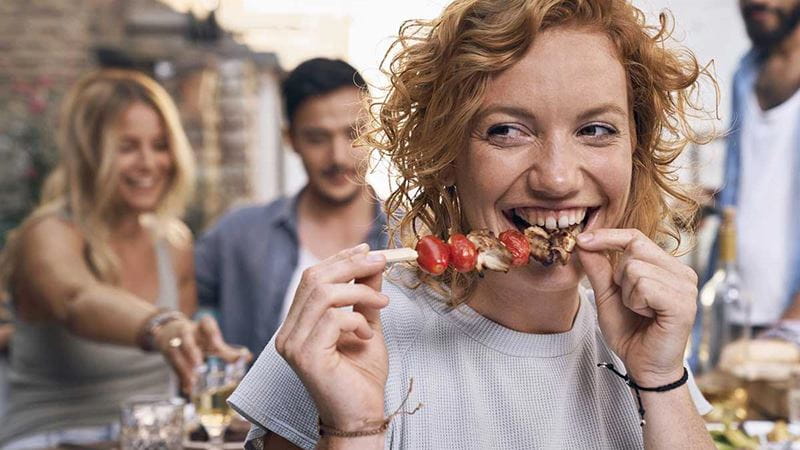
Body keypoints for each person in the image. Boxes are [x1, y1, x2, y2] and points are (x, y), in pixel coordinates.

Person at [228, 0, 717, 448]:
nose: (558, 178)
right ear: (447, 154)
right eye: (507, 130)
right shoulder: (344, 338)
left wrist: (662, 380)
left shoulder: (646, 346)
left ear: (635, 153)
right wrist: (353, 429)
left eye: (595, 130)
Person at [0, 69, 245, 448]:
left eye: (160, 145)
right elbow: (76, 301)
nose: (149, 163)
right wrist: (162, 326)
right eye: (128, 147)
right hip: (54, 437)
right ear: (88, 154)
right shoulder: (47, 233)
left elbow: (183, 374)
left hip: (152, 439)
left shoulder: (174, 243)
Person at [194, 58, 388, 356]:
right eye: (317, 138)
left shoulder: (411, 235)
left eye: (353, 134)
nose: (337, 157)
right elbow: (179, 298)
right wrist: (199, 329)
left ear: (373, 129)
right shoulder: (239, 234)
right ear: (291, 139)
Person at [707, 0, 800, 331]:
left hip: (791, 322)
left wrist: (791, 325)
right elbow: (760, 182)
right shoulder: (744, 74)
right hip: (733, 313)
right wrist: (713, 203)